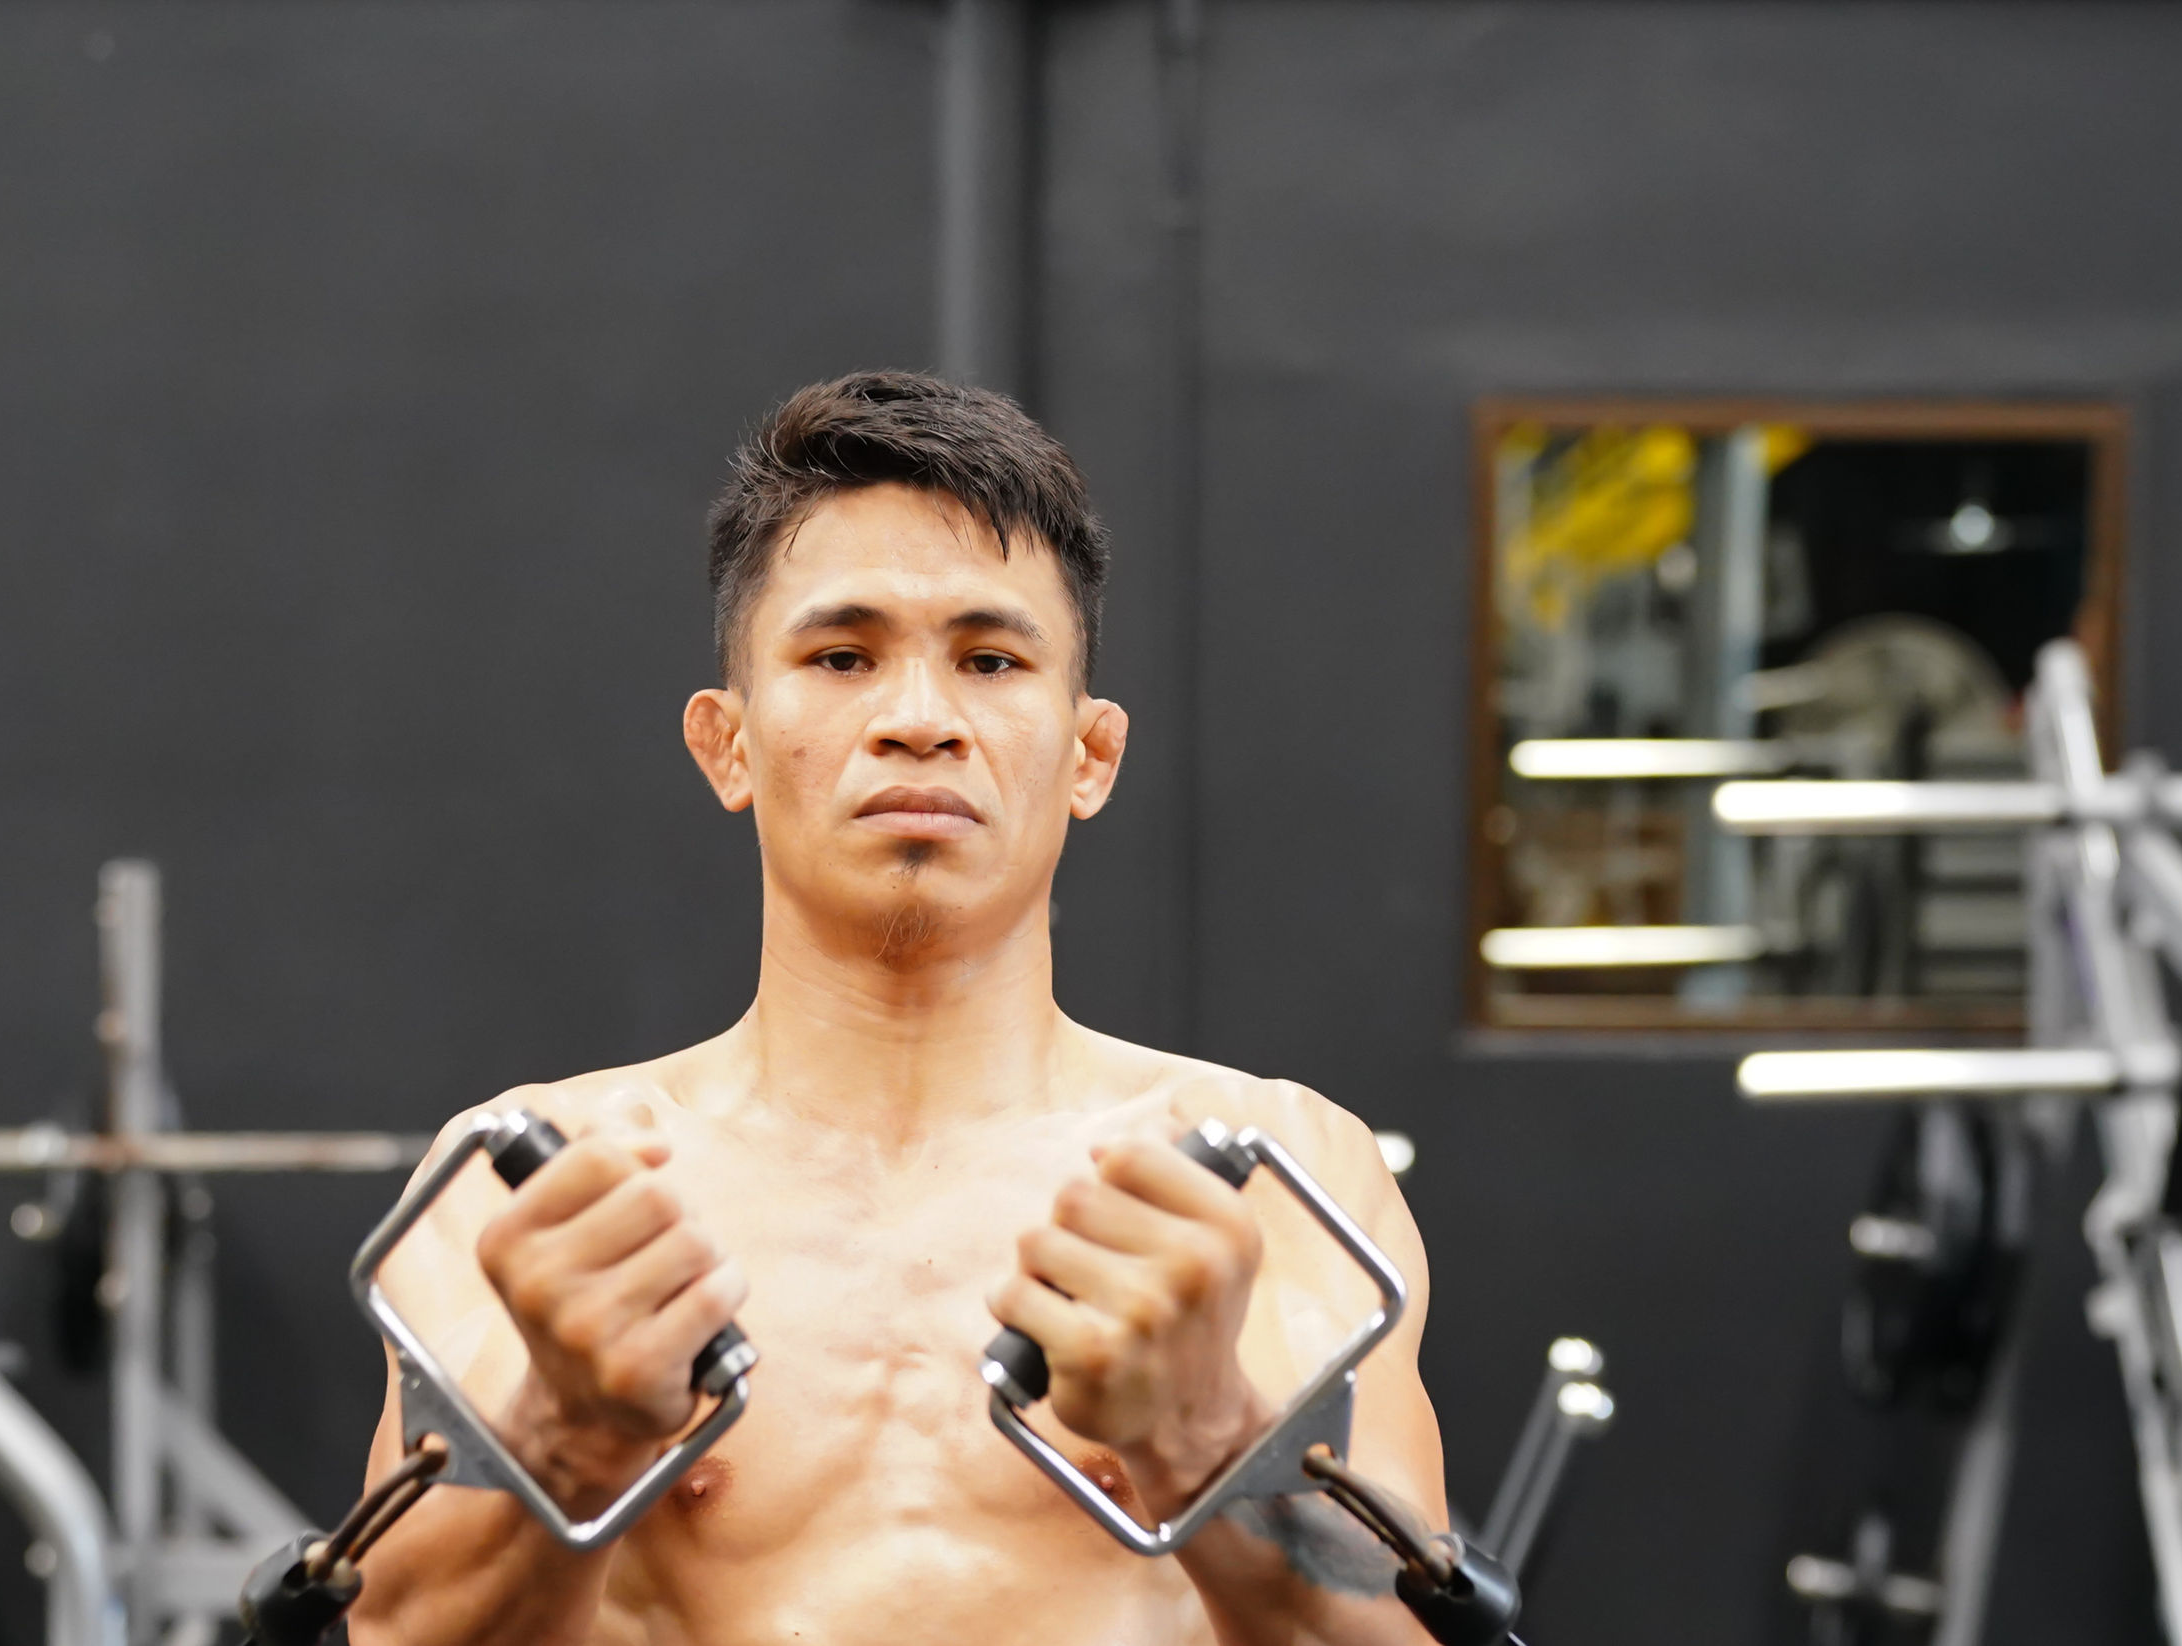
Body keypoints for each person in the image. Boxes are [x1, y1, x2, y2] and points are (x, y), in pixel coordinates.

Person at [353, 371, 1443, 1645]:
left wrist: (1206, 1439)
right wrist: (565, 1440)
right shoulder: (534, 1182)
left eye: (989, 658)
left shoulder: (1272, 1174)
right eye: (841, 655)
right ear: (730, 742)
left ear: (1089, 753)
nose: (919, 719)